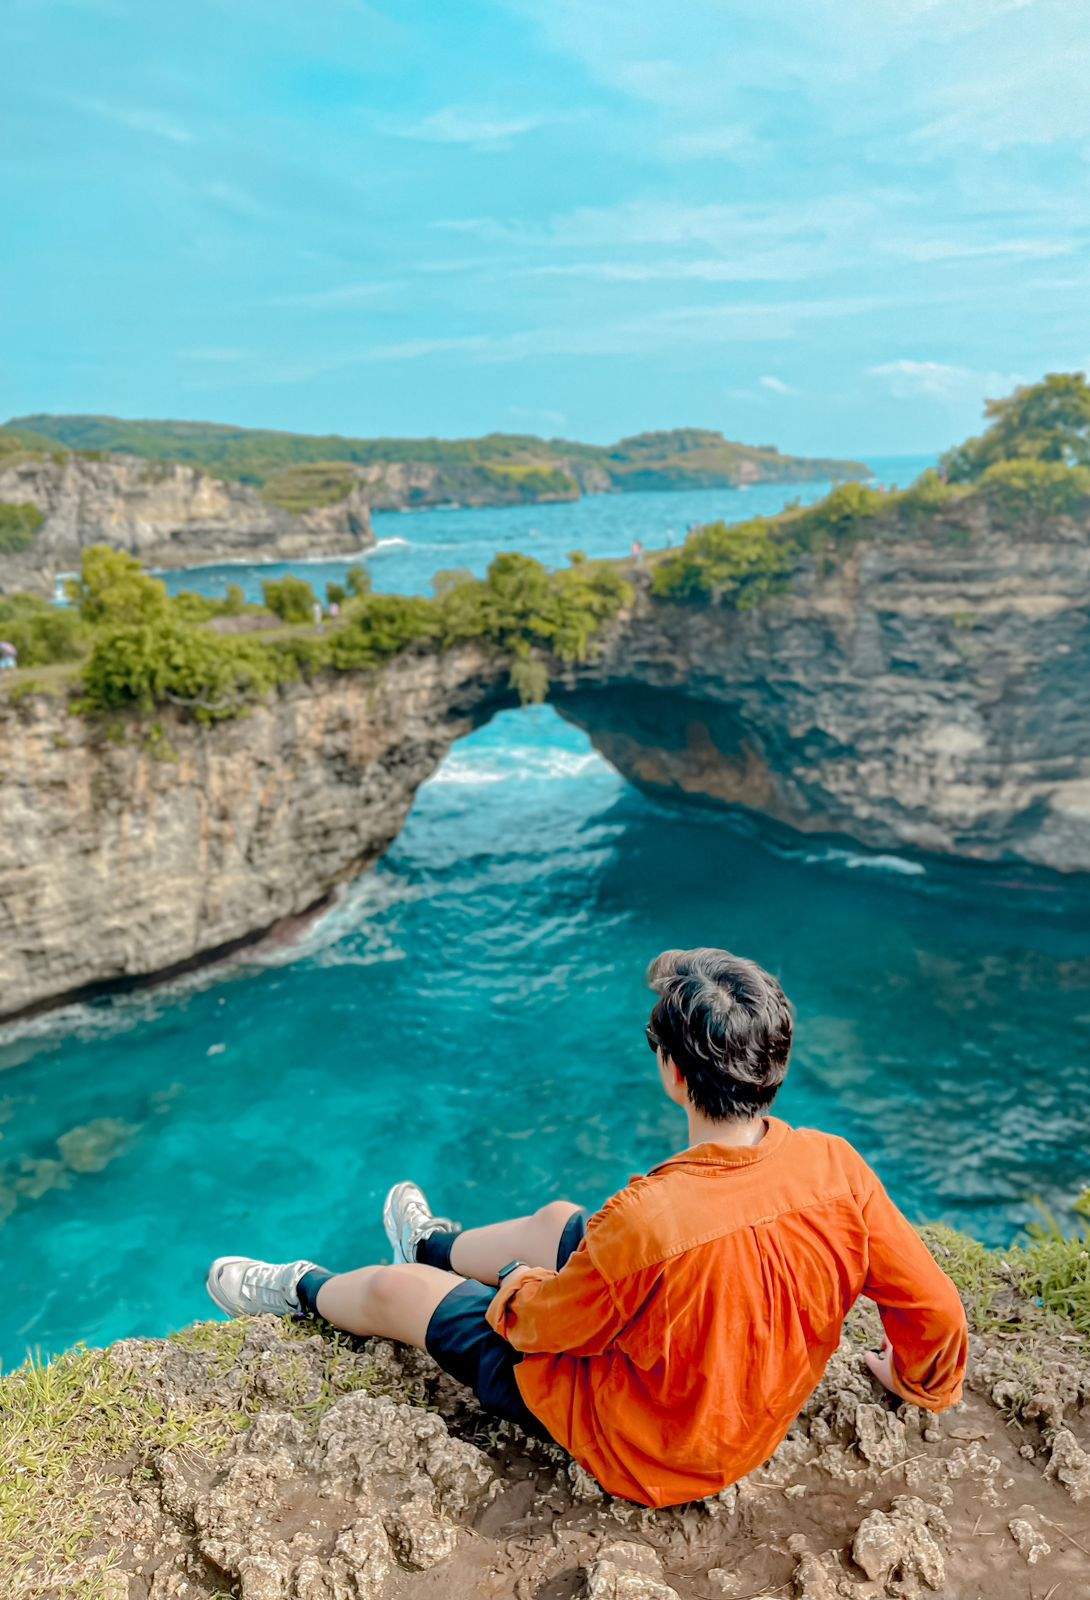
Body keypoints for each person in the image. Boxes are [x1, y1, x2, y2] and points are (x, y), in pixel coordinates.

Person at [206, 948, 968, 1508]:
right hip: (741, 1419)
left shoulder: (650, 1215)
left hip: (647, 1448)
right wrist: (917, 1382)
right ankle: (432, 1244)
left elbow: (544, 1329)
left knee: (399, 1292)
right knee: (557, 1222)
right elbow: (935, 1308)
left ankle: (303, 1290)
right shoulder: (836, 1167)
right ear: (777, 1061)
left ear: (673, 1072)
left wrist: (516, 1285)